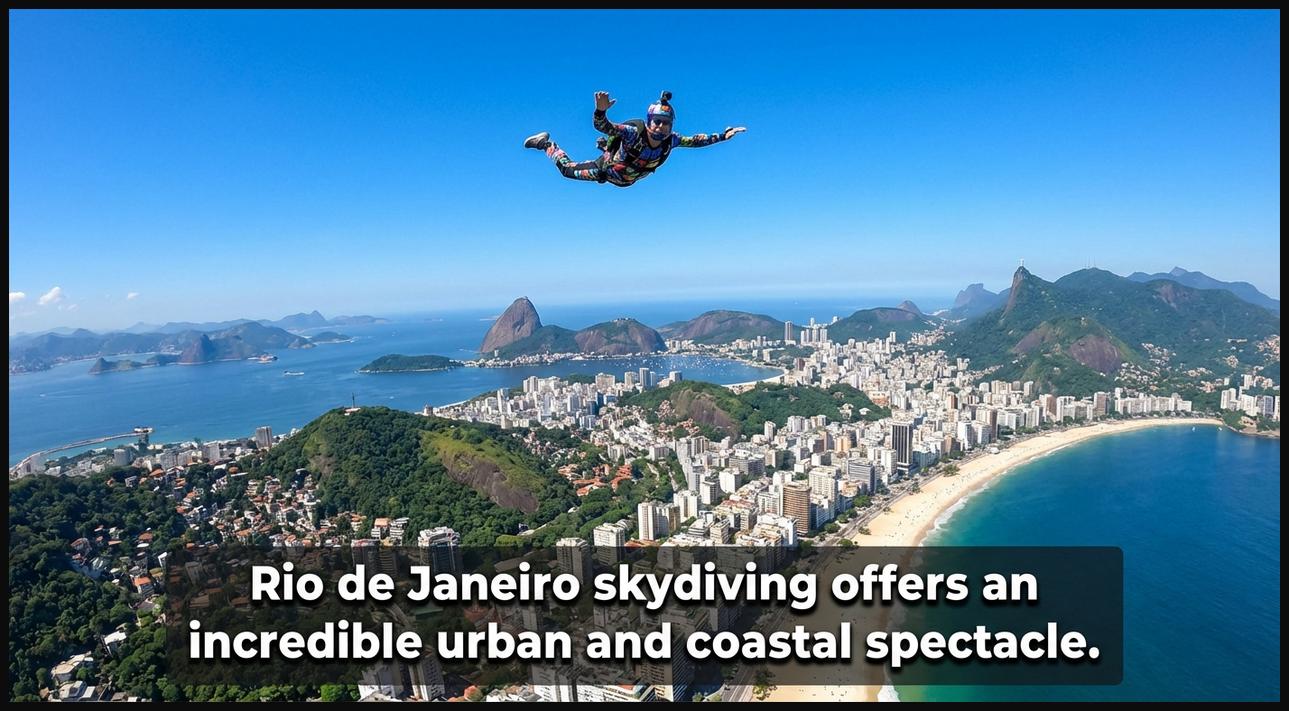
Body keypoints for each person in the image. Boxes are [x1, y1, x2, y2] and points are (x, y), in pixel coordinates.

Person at [524, 91, 746, 187]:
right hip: (605, 171)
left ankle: (605, 148)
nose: (659, 126)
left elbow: (696, 140)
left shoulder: (671, 141)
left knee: (620, 157)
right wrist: (600, 111)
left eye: (665, 122)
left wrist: (723, 137)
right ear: (648, 121)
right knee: (566, 171)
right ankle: (546, 144)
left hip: (626, 180)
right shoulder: (632, 133)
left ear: (671, 125)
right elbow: (605, 127)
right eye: (656, 121)